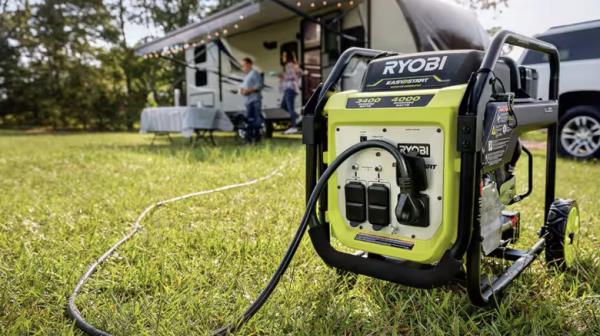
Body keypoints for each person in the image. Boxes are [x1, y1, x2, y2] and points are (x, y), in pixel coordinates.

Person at [239, 57, 263, 143]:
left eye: (244, 65)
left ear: (249, 64)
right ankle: (248, 139)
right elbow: (242, 88)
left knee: (256, 119)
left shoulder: (254, 73)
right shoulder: (246, 76)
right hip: (248, 101)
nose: (243, 67)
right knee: (249, 119)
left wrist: (248, 90)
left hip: (255, 100)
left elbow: (259, 85)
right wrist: (242, 91)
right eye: (242, 65)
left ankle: (257, 138)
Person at [279, 51, 302, 135]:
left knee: (290, 107)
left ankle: (294, 127)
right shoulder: (294, 65)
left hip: (290, 88)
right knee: (283, 105)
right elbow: (300, 73)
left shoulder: (289, 65)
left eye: (284, 55)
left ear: (287, 57)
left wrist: (282, 76)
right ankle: (297, 116)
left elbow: (291, 76)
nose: (283, 57)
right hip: (290, 89)